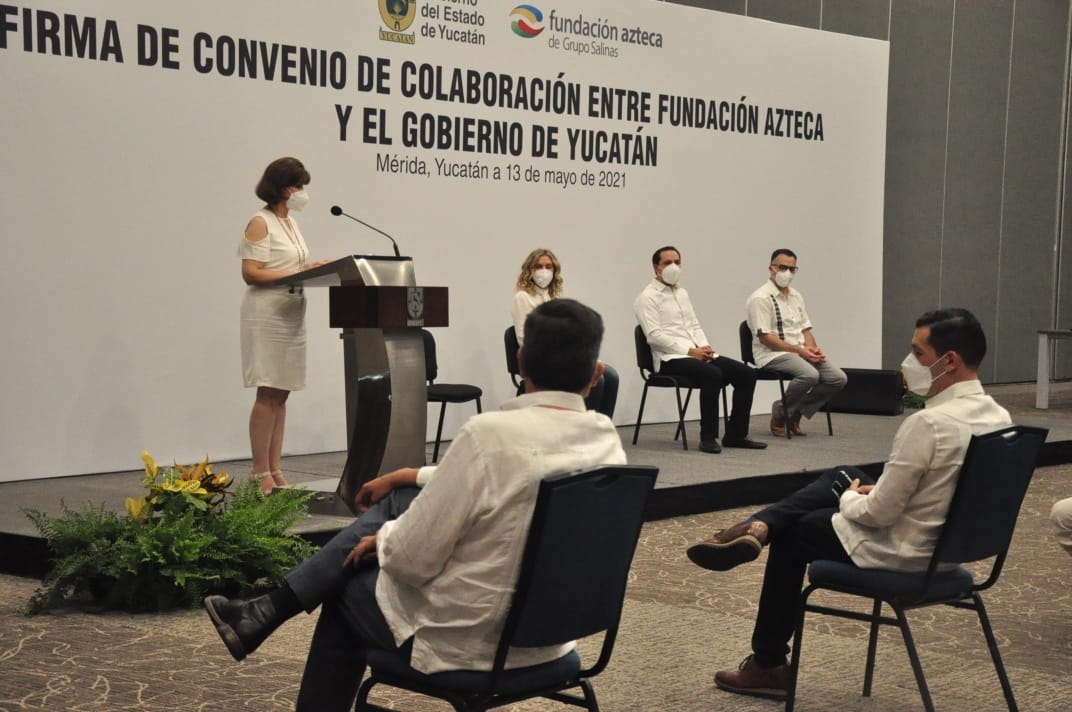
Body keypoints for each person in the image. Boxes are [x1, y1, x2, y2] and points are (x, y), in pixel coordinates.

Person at [204, 299, 627, 711]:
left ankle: (268, 611)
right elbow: (519, 472)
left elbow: (411, 562)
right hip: (554, 642)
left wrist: (383, 540)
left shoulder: (488, 437)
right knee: (404, 497)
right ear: (596, 374)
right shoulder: (605, 440)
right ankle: (263, 612)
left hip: (471, 645)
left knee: (346, 588)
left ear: (520, 361)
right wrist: (409, 476)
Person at [685, 308, 1011, 701]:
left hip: (906, 552)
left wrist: (849, 500)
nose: (908, 363)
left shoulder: (929, 424)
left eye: (918, 353)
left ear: (951, 361)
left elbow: (880, 514)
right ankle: (759, 525)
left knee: (801, 528)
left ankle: (767, 662)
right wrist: (860, 490)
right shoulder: (1000, 417)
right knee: (843, 473)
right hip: (951, 549)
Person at [239, 157, 329, 495]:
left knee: (282, 394)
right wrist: (296, 273)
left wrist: (313, 266)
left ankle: (275, 468)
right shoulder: (260, 222)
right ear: (281, 187)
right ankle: (257, 471)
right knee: (267, 392)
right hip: (267, 315)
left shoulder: (289, 222)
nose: (301, 192)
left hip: (291, 312)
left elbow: (289, 264)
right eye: (297, 186)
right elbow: (251, 272)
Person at [634, 246, 766, 453]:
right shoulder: (647, 297)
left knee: (746, 373)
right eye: (667, 263)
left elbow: (694, 325)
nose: (673, 266)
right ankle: (708, 437)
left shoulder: (682, 293)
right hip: (669, 359)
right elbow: (654, 336)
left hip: (694, 354)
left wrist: (704, 347)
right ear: (656, 268)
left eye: (677, 262)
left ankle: (736, 434)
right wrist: (690, 351)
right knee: (712, 374)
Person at [746, 248, 847, 437]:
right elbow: (766, 338)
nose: (787, 273)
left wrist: (813, 349)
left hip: (799, 352)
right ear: (771, 269)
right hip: (772, 354)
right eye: (783, 267)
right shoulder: (760, 298)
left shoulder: (796, 296)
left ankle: (794, 412)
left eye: (792, 269)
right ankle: (781, 414)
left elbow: (805, 329)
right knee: (809, 375)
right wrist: (800, 351)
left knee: (837, 378)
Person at [511, 248, 619, 417]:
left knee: (612, 376)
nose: (544, 271)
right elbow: (524, 338)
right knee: (597, 380)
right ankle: (581, 428)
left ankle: (601, 428)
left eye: (549, 267)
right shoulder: (523, 297)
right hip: (540, 358)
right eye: (538, 266)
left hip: (563, 355)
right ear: (529, 270)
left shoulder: (554, 297)